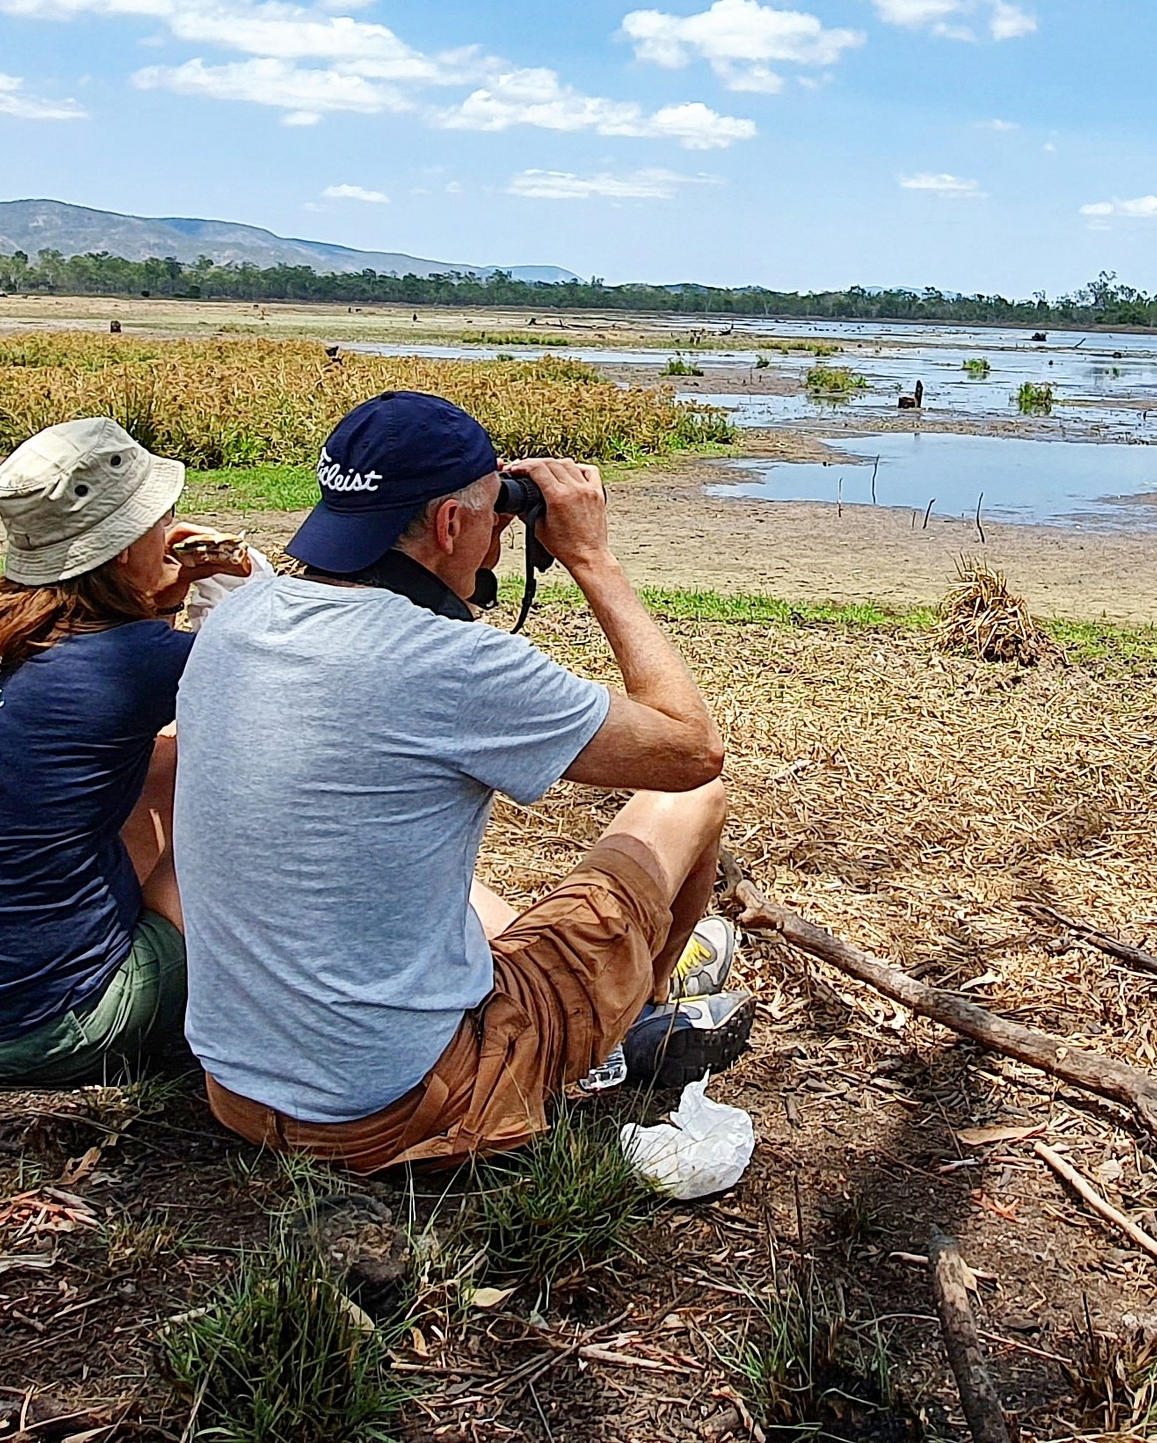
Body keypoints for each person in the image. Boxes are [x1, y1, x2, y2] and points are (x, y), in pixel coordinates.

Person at [173, 392, 741, 1172]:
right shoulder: (450, 663)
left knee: (453, 887)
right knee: (689, 802)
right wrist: (591, 558)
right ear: (448, 525)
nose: (498, 537)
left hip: (236, 1092)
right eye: (493, 518)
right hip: (396, 1110)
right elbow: (692, 749)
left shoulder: (238, 618)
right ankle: (643, 1015)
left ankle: (639, 1002)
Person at [0, 418, 249, 1087]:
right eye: (161, 517)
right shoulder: (138, 659)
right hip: (59, 1028)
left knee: (155, 766)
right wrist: (237, 585)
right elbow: (272, 696)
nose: (171, 527)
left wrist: (160, 597)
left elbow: (88, 711)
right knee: (228, 802)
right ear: (121, 548)